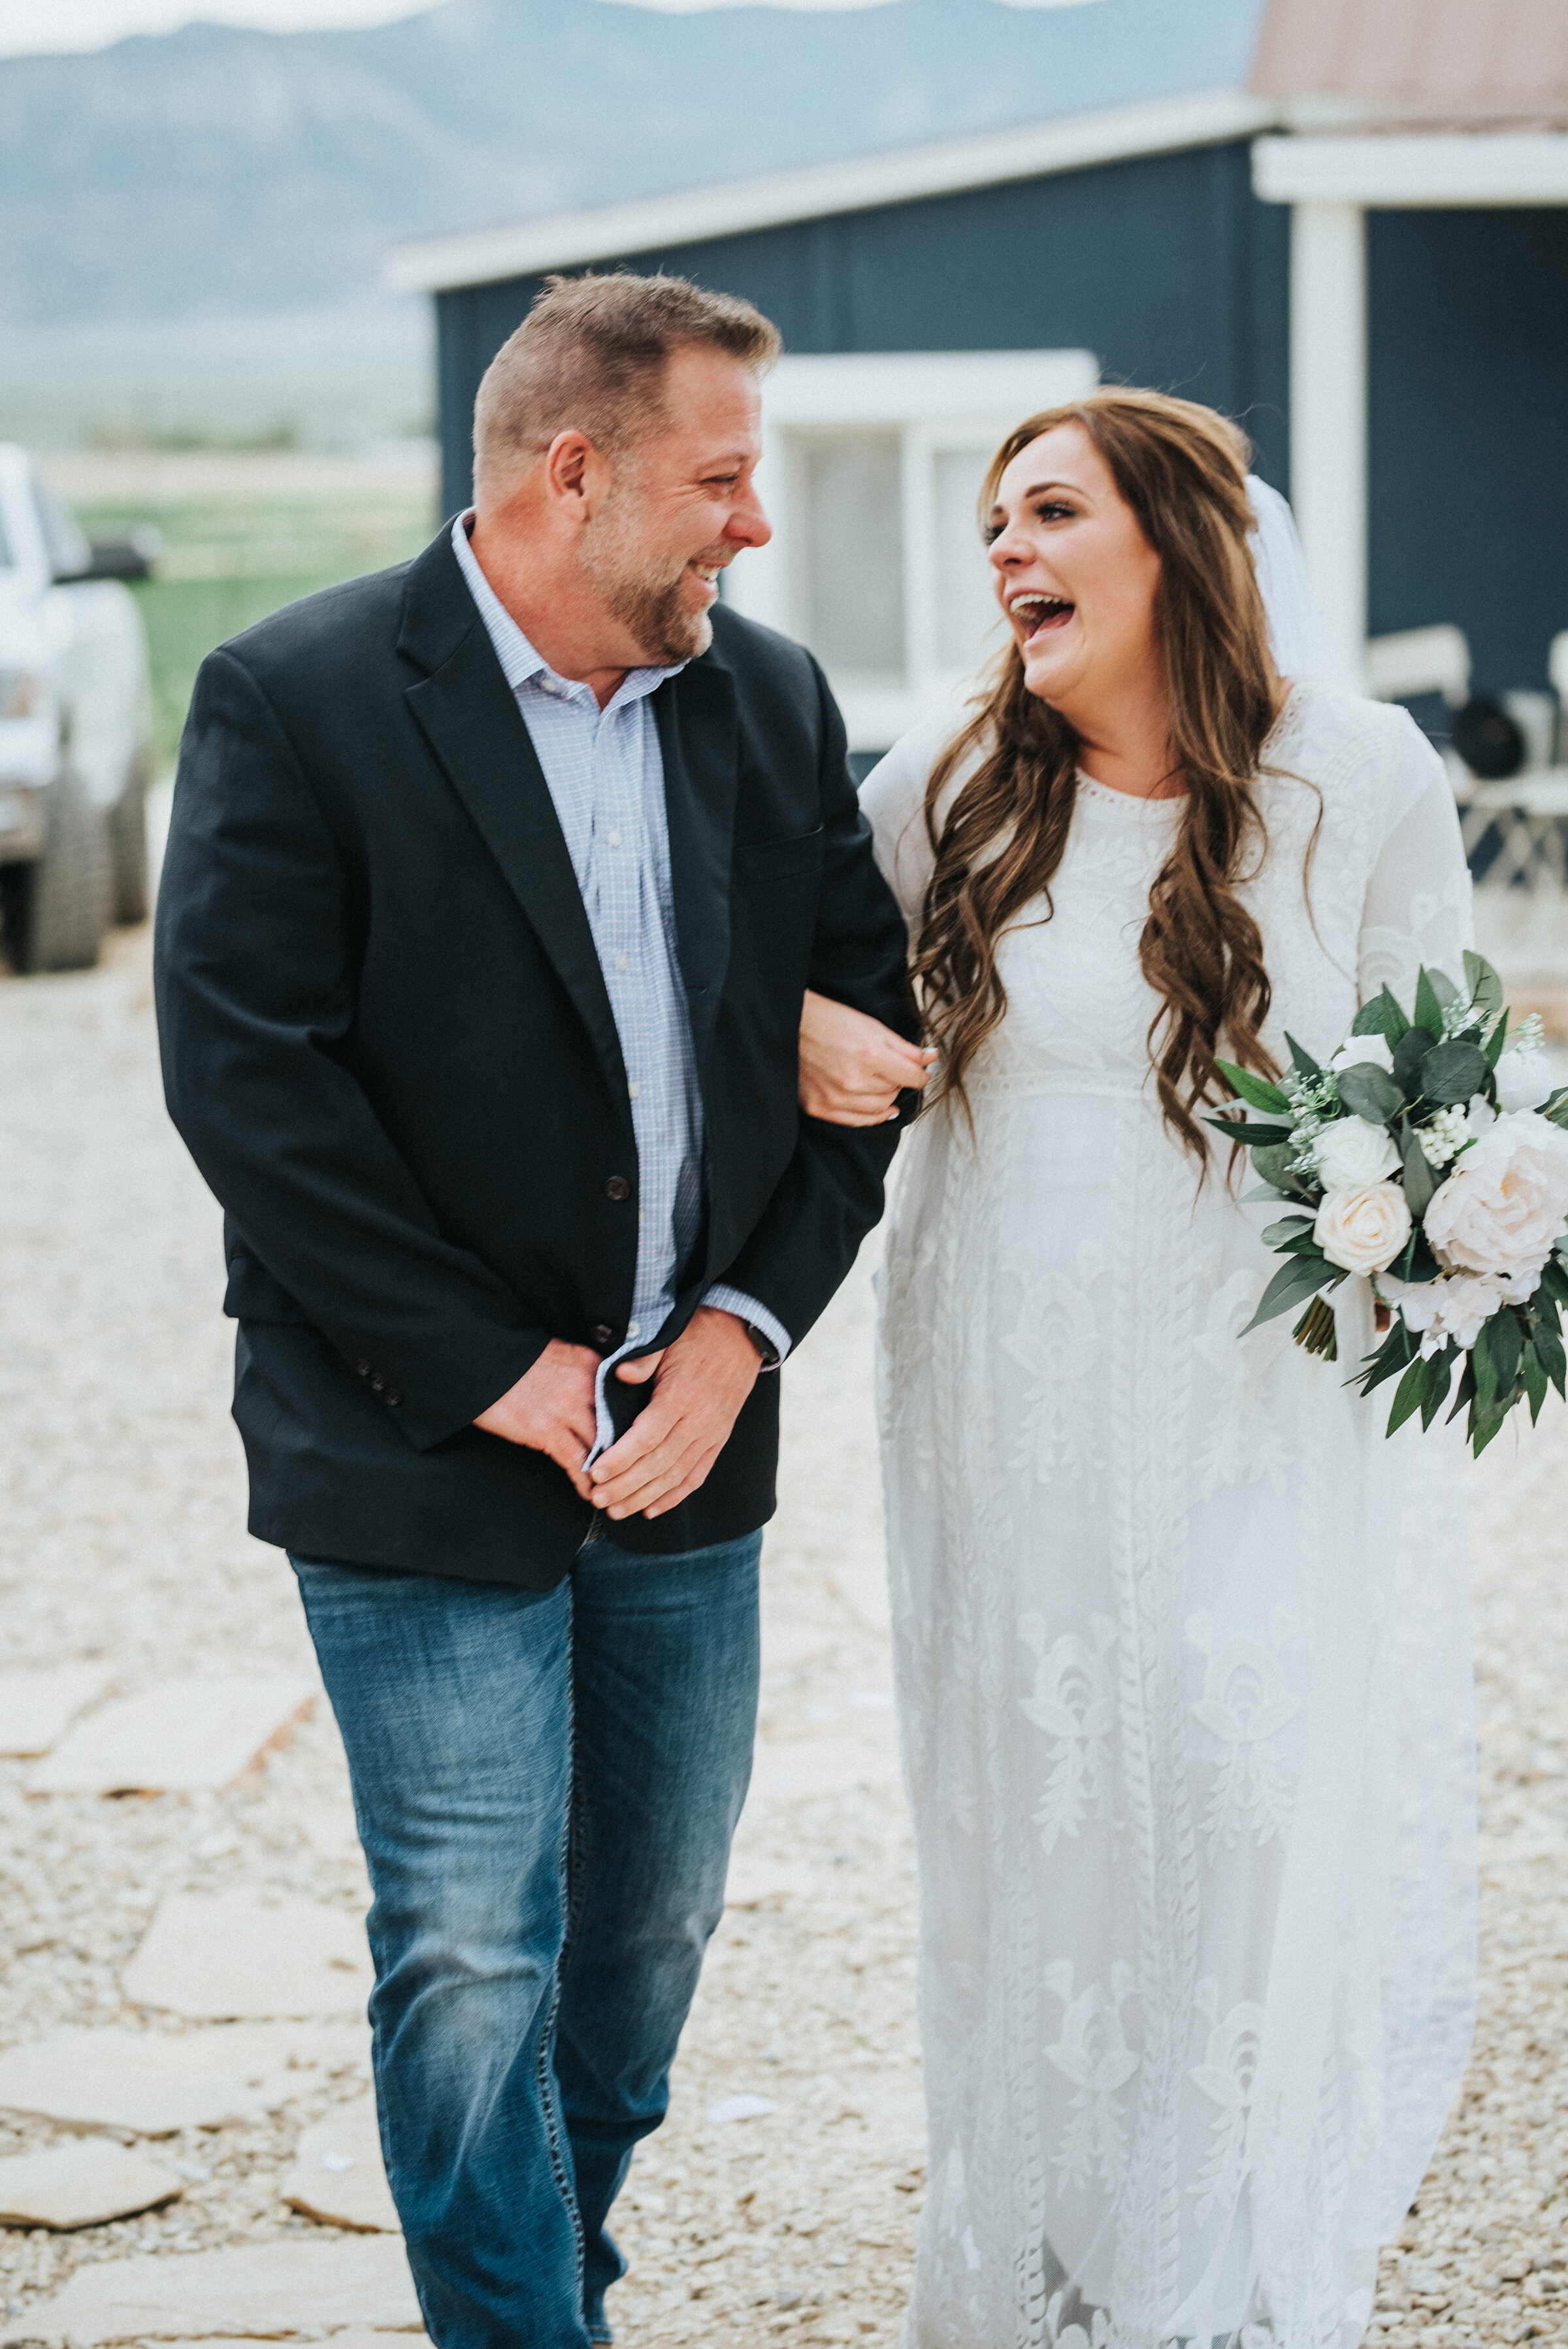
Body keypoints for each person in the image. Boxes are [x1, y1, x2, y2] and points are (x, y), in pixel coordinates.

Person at [153, 271, 914, 2349]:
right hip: (414, 1445)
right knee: (473, 1949)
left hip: (699, 1439)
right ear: (572, 475)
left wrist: (747, 1325)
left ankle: (541, 2265)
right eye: (723, 479)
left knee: (645, 1943)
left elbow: (873, 1051)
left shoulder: (767, 703)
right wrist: (502, 1371)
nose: (754, 526)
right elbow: (249, 1082)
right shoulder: (294, 696)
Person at [798, 390, 1477, 2348]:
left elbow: (1451, 1091)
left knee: (1233, 1799)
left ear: (1179, 539)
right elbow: (815, 1020)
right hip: (1001, 1399)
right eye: (992, 522)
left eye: (1050, 512)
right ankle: (1055, 2274)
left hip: (1254, 1402)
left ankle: (1228, 2272)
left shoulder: (1363, 779)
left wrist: (1465, 1221)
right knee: (1039, 1829)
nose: (1006, 552)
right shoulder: (943, 783)